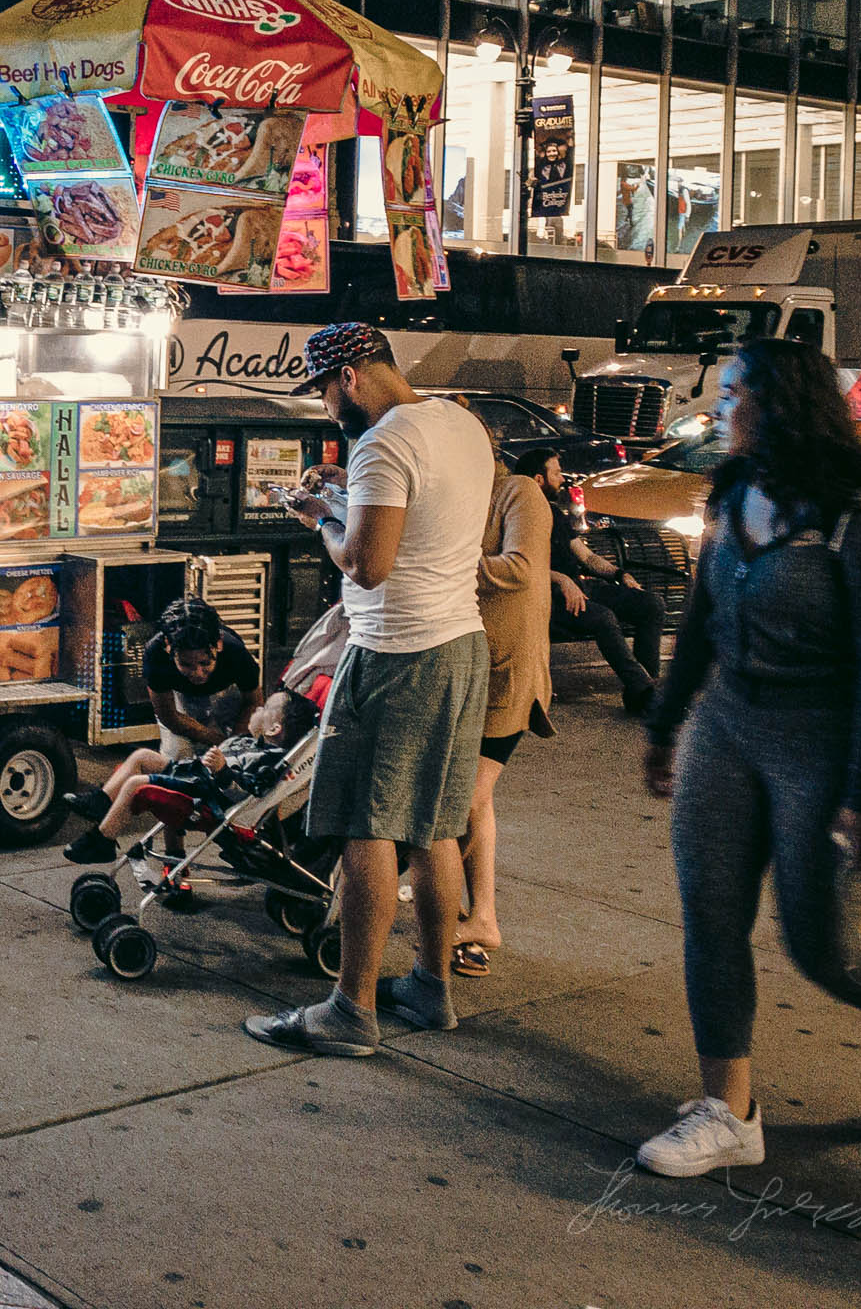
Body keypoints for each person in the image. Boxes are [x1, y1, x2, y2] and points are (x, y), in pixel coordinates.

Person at [637, 337, 861, 1178]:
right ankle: (731, 1111)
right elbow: (697, 623)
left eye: (732, 396)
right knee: (711, 916)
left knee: (823, 944)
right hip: (726, 727)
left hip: (822, 743)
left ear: (781, 404)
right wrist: (666, 723)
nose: (718, 412)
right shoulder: (732, 494)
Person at [245, 322, 491, 1058]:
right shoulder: (459, 422)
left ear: (349, 378)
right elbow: (425, 524)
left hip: (395, 654)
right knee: (436, 826)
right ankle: (428, 986)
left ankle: (350, 1009)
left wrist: (319, 515)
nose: (326, 409)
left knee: (367, 827)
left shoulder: (381, 441)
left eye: (323, 392)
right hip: (460, 645)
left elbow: (367, 565)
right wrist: (350, 494)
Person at [63, 598, 261, 892]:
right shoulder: (156, 653)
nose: (197, 672)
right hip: (180, 709)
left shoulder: (234, 651)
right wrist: (208, 738)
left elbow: (253, 702)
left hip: (231, 703)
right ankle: (173, 858)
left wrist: (233, 744)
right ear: (170, 649)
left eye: (205, 663)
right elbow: (169, 715)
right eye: (187, 664)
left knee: (174, 777)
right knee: (175, 761)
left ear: (217, 645)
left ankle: (103, 816)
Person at [452, 442, 554, 979]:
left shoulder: (519, 493)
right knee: (472, 798)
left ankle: (482, 917)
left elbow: (519, 569)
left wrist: (438, 562)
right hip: (467, 666)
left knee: (471, 794)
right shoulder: (459, 496)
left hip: (508, 672)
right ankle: (476, 914)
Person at [520, 448, 665, 717]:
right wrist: (561, 580)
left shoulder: (553, 513)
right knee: (602, 617)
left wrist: (618, 574)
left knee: (651, 605)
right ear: (539, 479)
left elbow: (586, 556)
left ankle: (640, 692)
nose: (562, 478)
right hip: (545, 595)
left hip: (579, 588)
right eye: (555, 473)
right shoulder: (521, 514)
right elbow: (521, 565)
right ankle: (647, 692)